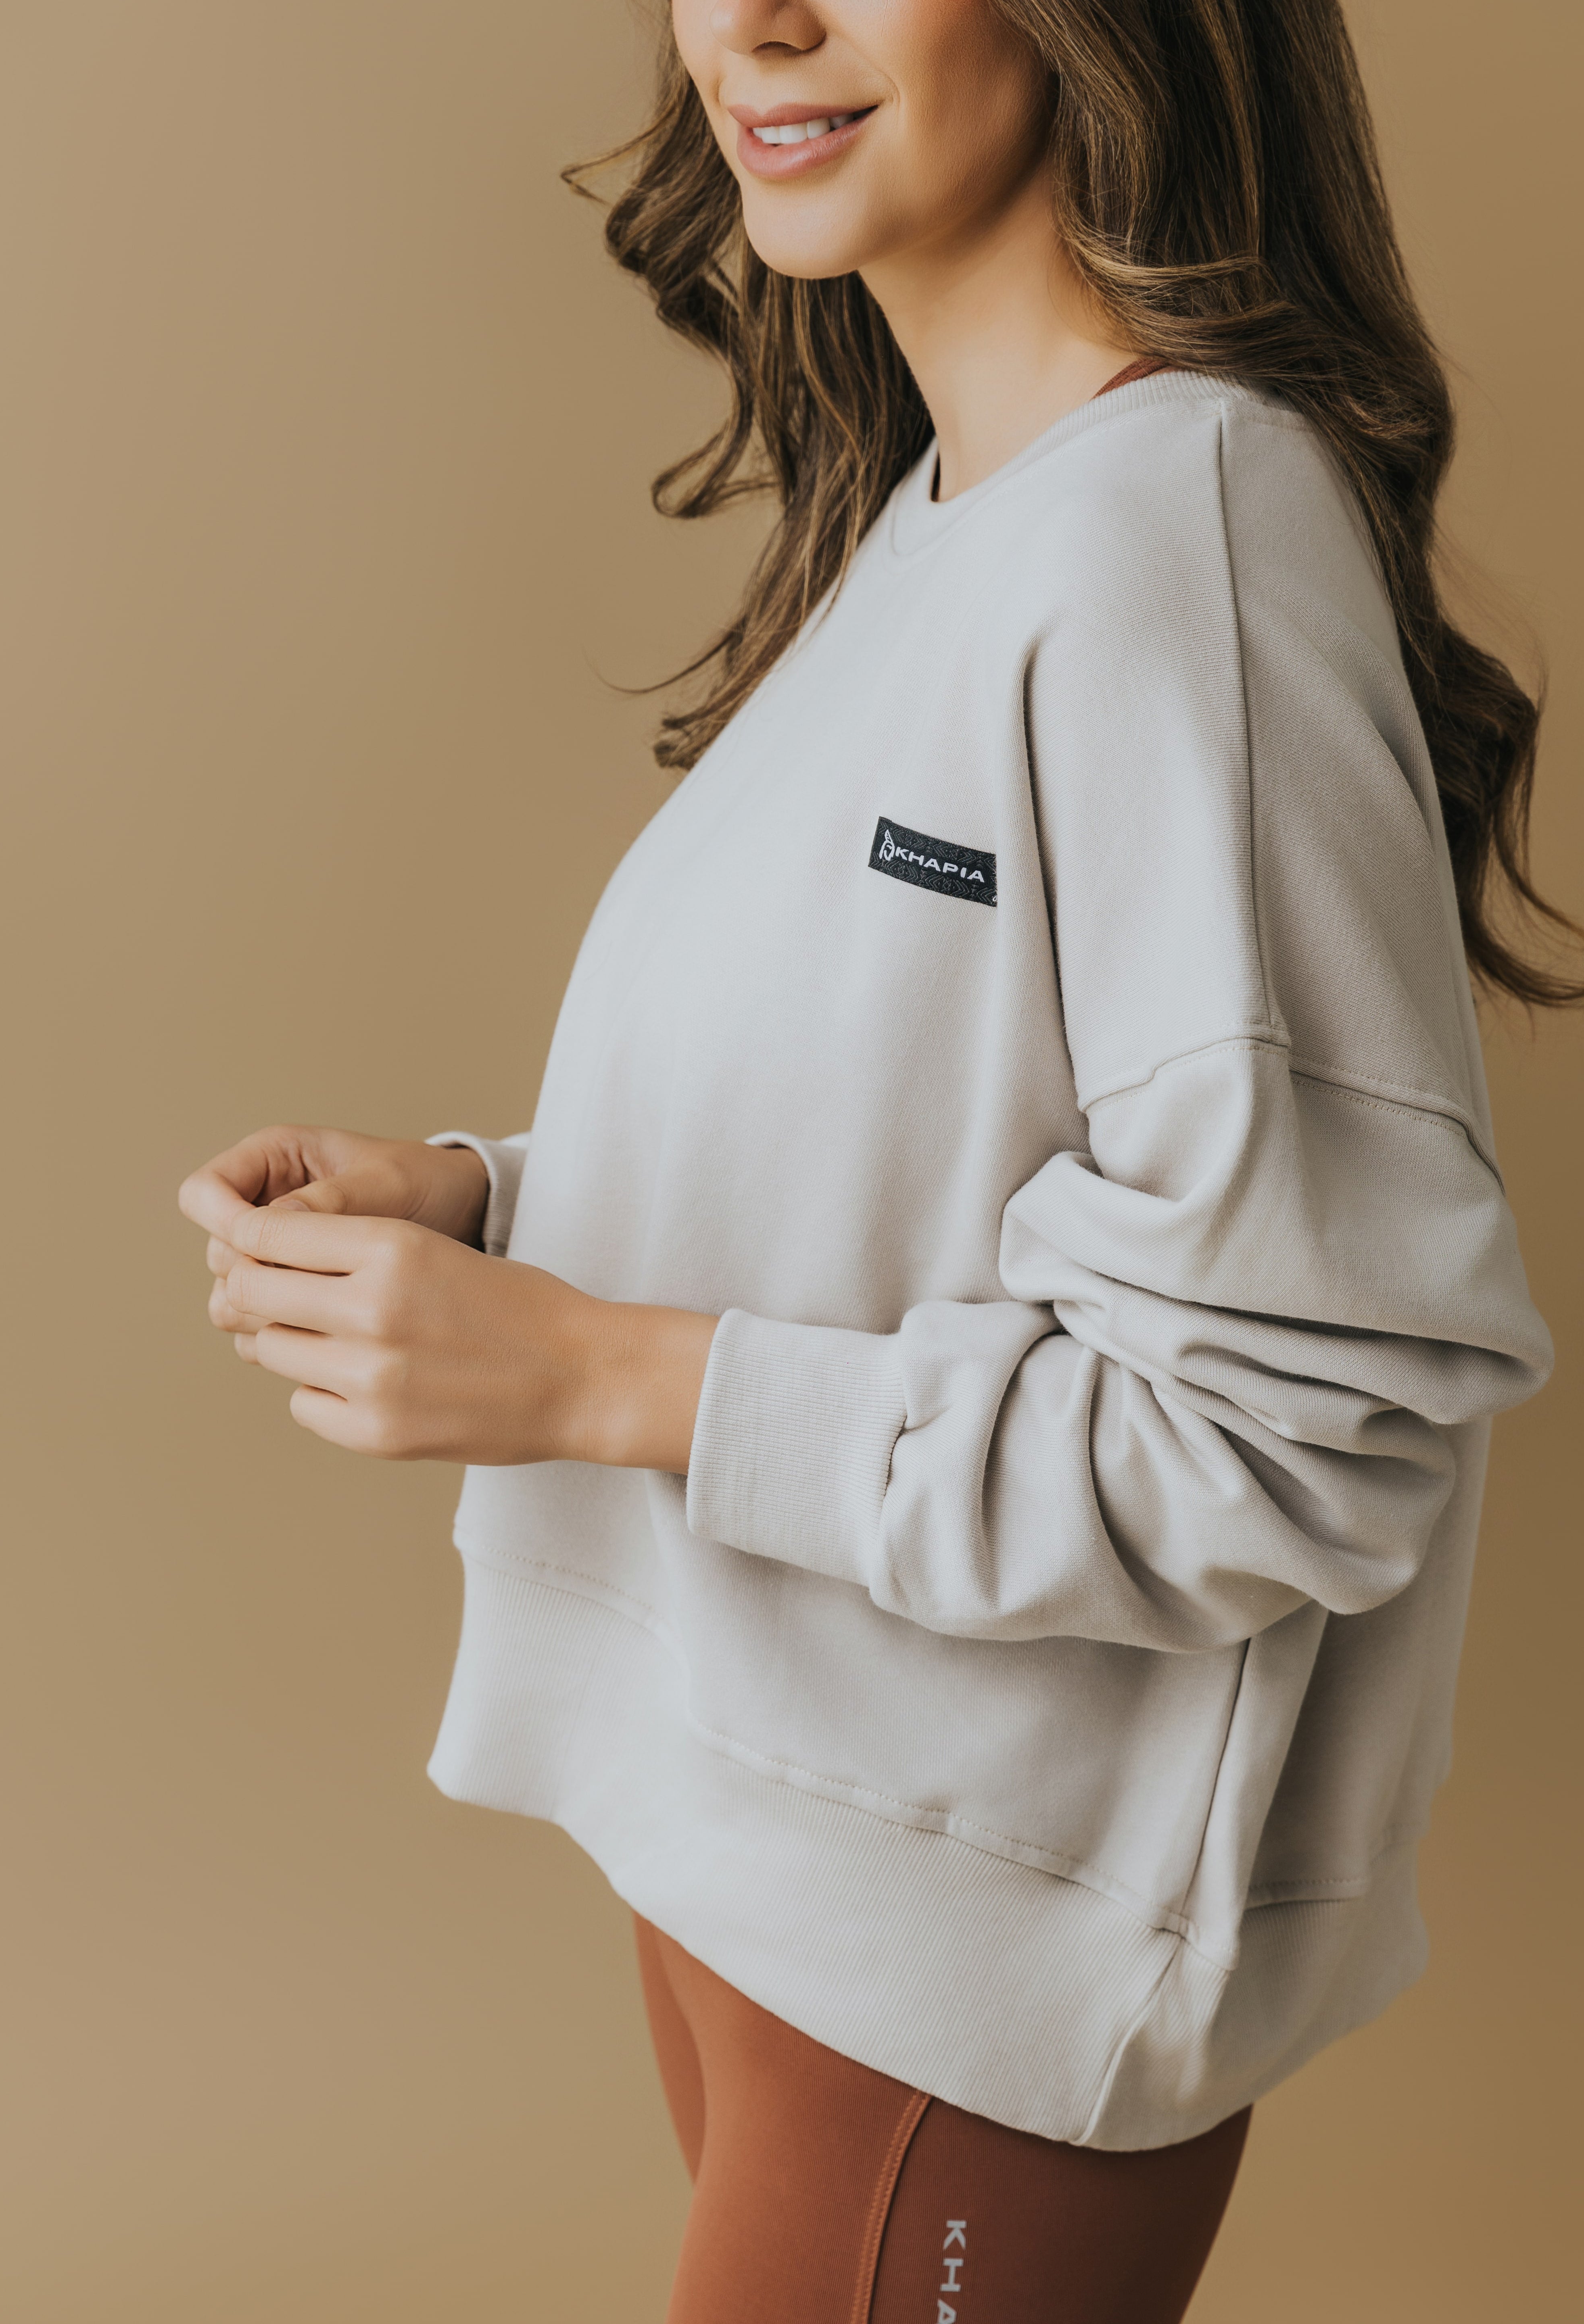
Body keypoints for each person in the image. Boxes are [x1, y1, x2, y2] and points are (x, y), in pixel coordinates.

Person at [179, 3, 1572, 2316]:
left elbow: (1287, 1434)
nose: (758, 21)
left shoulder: (1182, 541)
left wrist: (592, 1374)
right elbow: (938, 1120)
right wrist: (500, 1209)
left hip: (968, 1953)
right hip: (779, 1850)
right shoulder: (953, 510)